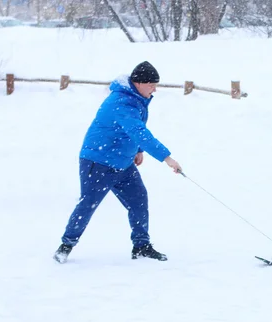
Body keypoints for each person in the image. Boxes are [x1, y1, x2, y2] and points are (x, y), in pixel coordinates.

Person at [53, 61, 182, 264]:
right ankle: (66, 245)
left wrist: (138, 151)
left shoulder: (136, 99)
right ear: (139, 83)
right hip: (98, 162)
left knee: (139, 200)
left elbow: (134, 129)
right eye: (152, 85)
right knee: (88, 204)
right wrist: (167, 158)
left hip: (122, 162)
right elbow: (139, 132)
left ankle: (141, 246)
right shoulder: (122, 103)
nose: (154, 89)